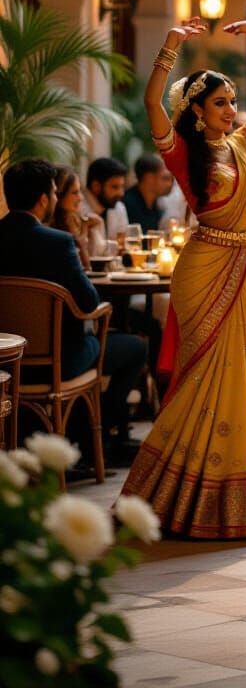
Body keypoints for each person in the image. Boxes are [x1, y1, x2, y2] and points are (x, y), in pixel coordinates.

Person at [118, 17, 246, 538]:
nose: (230, 110)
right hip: (204, 268)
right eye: (220, 103)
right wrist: (171, 45)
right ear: (198, 110)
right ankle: (177, 494)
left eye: (232, 101)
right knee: (205, 375)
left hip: (245, 266)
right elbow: (152, 102)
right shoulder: (183, 153)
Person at [0, 160, 147, 467]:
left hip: (7, 364)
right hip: (58, 361)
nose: (55, 198)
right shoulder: (58, 243)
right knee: (134, 348)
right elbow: (89, 302)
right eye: (55, 193)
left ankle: (74, 433)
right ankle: (96, 438)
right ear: (44, 199)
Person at [51, 165, 102, 267]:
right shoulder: (52, 229)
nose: (81, 198)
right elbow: (86, 267)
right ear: (59, 195)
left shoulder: (74, 220)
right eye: (75, 193)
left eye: (80, 191)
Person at [83, 157, 129, 254]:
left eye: (122, 187)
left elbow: (122, 247)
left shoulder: (118, 207)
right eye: (115, 187)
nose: (121, 193)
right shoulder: (78, 210)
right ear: (96, 186)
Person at [123, 154, 170, 232]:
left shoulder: (158, 205)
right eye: (165, 178)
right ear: (149, 178)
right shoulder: (125, 205)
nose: (169, 184)